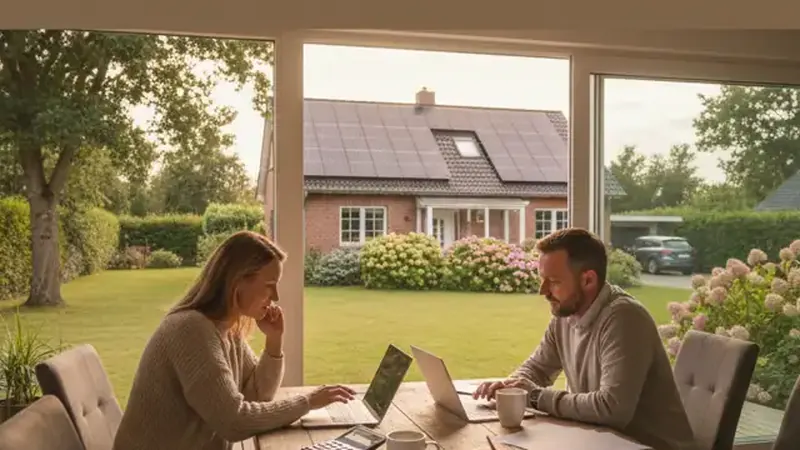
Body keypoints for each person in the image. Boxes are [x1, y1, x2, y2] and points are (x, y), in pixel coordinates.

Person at [113, 231, 356, 450]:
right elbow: (233, 421)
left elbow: (257, 396)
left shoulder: (227, 329)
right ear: (237, 282)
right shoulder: (191, 329)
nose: (275, 296)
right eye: (269, 286)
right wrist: (308, 402)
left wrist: (274, 341)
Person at [474, 228, 695, 450]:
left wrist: (535, 397)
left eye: (553, 281)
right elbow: (538, 369)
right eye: (543, 280)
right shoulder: (565, 313)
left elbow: (612, 409)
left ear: (588, 280)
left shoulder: (625, 318)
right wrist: (511, 387)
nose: (543, 291)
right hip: (601, 442)